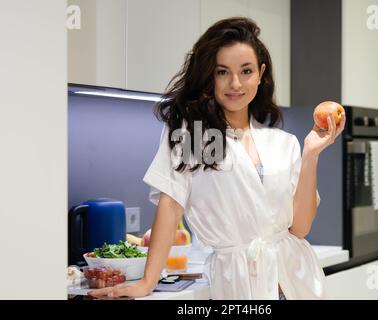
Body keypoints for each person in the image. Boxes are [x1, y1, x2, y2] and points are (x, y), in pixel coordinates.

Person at [89, 16, 345, 300]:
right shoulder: (194, 135)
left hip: (296, 281)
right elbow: (171, 205)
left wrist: (311, 155)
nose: (235, 83)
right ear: (209, 76)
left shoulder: (283, 143)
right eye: (222, 72)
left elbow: (299, 228)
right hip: (237, 282)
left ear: (260, 74)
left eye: (246, 71)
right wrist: (148, 281)